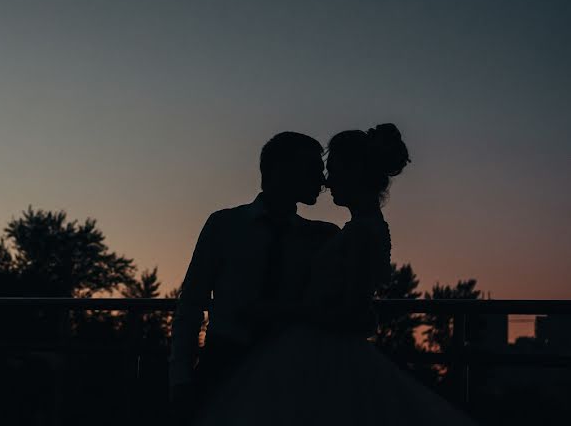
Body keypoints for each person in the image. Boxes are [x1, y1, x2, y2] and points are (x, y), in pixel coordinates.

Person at [197, 124, 475, 425]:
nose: (326, 182)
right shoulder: (345, 232)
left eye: (332, 169)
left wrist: (280, 312)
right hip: (302, 351)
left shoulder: (360, 233)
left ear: (354, 172)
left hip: (321, 355)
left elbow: (352, 313)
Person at [169, 132, 340, 424]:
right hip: (223, 364)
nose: (322, 180)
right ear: (281, 169)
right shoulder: (224, 225)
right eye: (311, 168)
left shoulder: (319, 237)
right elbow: (192, 302)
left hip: (290, 370)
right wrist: (181, 375)